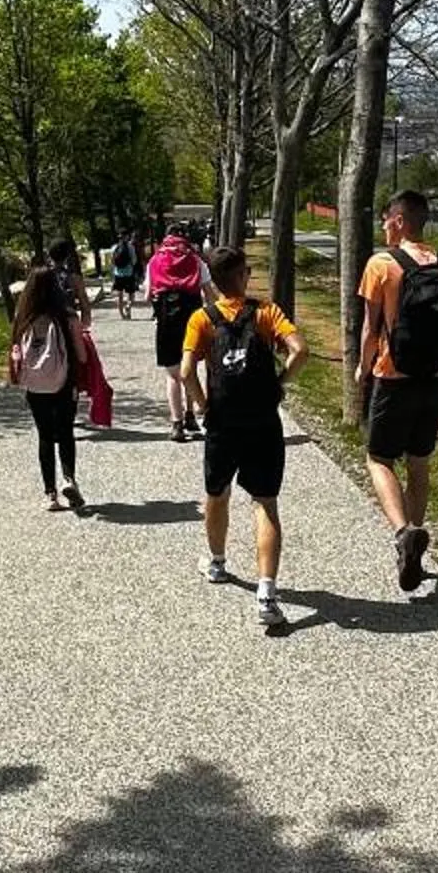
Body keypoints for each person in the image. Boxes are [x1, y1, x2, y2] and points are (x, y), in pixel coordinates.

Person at [181, 246, 306, 636]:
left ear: (214, 282)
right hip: (262, 421)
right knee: (265, 503)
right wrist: (279, 384)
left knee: (216, 493)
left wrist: (203, 406)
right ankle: (266, 595)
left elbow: (186, 371)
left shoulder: (202, 319)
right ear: (242, 276)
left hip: (223, 424)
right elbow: (301, 351)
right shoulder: (266, 313)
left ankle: (217, 562)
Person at [356, 188, 438, 594]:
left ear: (401, 220)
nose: (384, 225)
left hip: (394, 376)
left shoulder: (381, 264)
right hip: (435, 379)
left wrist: (361, 367)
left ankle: (403, 532)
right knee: (419, 461)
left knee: (378, 458)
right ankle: (416, 541)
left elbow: (372, 328)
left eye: (388, 218)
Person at [7, 261, 88, 510]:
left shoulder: (23, 318)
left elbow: (15, 352)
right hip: (63, 383)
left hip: (34, 385)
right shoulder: (67, 316)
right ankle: (69, 479)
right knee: (65, 432)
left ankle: (50, 494)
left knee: (44, 436)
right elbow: (82, 356)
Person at [142, 222, 210, 439]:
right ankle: (191, 415)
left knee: (173, 375)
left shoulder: (155, 261)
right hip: (193, 321)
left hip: (166, 322)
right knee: (189, 369)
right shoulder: (196, 261)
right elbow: (209, 293)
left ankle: (176, 423)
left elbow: (146, 295)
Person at [51, 233, 113, 433]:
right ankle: (71, 411)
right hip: (71, 325)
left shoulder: (44, 276)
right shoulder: (74, 278)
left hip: (50, 326)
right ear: (68, 256)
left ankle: (54, 407)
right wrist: (84, 325)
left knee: (53, 364)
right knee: (75, 367)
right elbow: (85, 305)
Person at [109, 231, 139, 319]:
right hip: (129, 273)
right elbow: (134, 261)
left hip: (118, 274)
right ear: (127, 237)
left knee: (120, 295)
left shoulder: (114, 247)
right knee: (131, 294)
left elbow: (112, 262)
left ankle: (122, 315)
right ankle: (128, 308)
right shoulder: (131, 247)